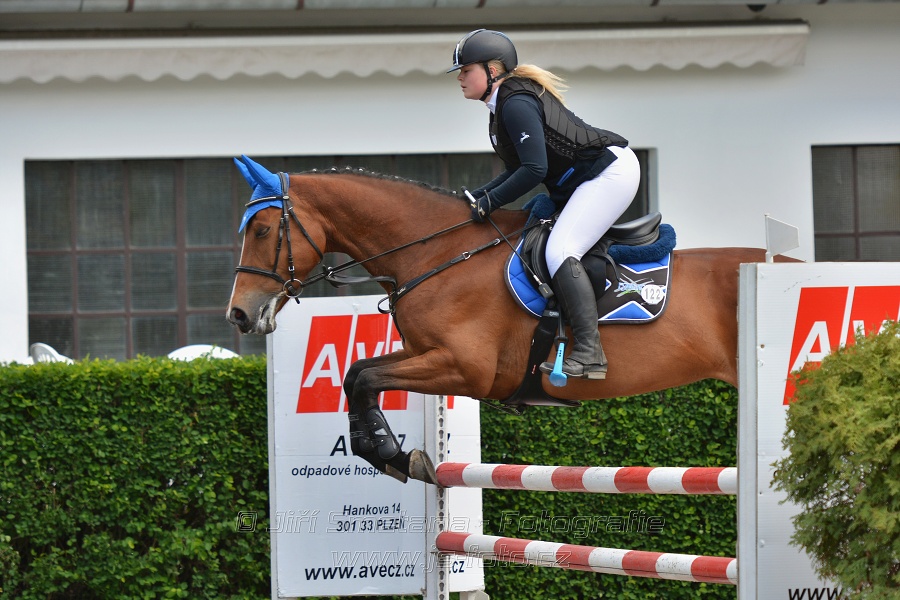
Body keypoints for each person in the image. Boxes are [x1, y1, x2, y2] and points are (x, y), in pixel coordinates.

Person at [448, 29, 641, 380]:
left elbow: (534, 169)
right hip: (584, 180)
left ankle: (589, 351)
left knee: (560, 250)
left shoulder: (515, 102)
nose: (460, 78)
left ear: (493, 69)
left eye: (466, 70)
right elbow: (515, 170)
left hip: (609, 173)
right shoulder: (500, 107)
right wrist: (478, 197)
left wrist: (489, 202)